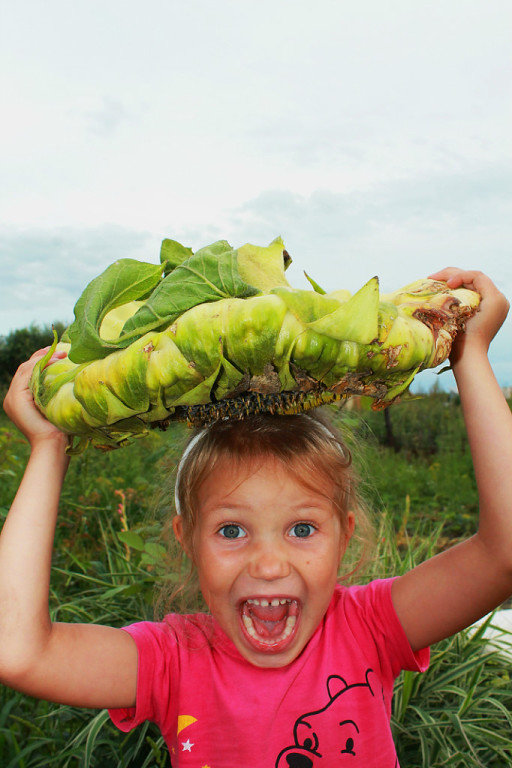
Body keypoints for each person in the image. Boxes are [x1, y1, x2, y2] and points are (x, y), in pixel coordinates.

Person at [0, 267, 510, 766]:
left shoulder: (368, 629)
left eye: (302, 528)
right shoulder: (173, 663)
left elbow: (502, 555)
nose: (268, 564)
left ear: (344, 536)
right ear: (187, 540)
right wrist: (49, 447)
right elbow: (17, 651)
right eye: (231, 530)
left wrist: (469, 356)